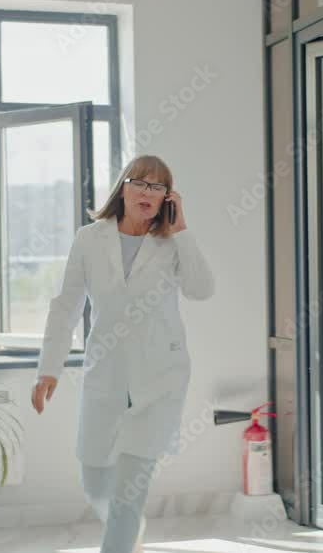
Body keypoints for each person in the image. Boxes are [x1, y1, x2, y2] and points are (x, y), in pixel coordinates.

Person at [29, 154, 215, 553]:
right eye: (141, 183)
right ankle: (129, 527)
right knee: (95, 480)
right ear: (123, 188)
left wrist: (182, 229)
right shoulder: (89, 238)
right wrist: (49, 370)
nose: (148, 192)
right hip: (107, 375)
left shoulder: (171, 243)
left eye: (158, 186)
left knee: (128, 494)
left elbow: (201, 289)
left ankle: (123, 535)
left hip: (160, 378)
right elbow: (66, 305)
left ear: (169, 197)